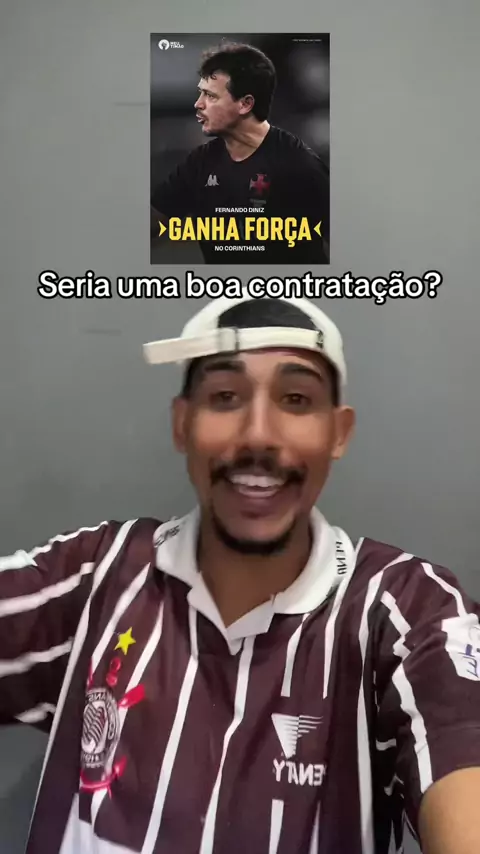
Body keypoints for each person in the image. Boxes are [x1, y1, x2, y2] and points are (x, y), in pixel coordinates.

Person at [1, 292, 480, 854]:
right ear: (182, 424)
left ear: (339, 433)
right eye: (225, 396)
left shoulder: (405, 611)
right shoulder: (96, 576)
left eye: (296, 399)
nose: (257, 436)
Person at [150, 42, 330, 264]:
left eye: (211, 96)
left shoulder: (299, 164)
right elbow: (151, 225)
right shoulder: (198, 164)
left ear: (245, 104)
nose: (198, 105)